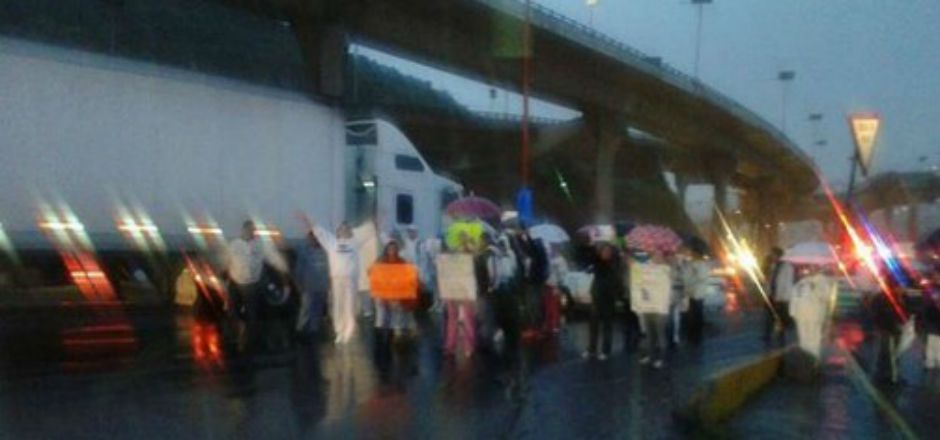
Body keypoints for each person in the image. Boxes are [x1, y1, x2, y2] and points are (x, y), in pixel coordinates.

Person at [223, 220, 289, 352]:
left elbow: (275, 260)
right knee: (232, 310)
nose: (251, 232)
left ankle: (248, 341)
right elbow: (226, 262)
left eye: (253, 230)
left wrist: (284, 276)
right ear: (243, 230)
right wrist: (224, 278)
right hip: (235, 282)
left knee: (252, 313)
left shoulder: (261, 245)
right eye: (248, 230)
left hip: (252, 284)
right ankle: (240, 328)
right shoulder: (234, 245)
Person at [311, 220, 371, 344]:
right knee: (338, 305)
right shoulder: (331, 242)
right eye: (342, 228)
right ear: (338, 232)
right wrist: (305, 219)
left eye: (346, 228)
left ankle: (349, 331)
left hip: (350, 279)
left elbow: (369, 230)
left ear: (350, 232)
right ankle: (339, 331)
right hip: (337, 278)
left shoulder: (354, 242)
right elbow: (318, 231)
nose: (344, 230)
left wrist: (378, 219)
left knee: (349, 305)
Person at [370, 240, 417, 364]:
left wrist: (398, 297)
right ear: (386, 250)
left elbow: (408, 280)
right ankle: (380, 337)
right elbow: (374, 277)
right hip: (382, 294)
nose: (392, 251)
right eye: (390, 249)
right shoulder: (381, 262)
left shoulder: (402, 262)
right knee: (381, 314)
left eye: (394, 248)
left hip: (396, 294)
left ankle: (397, 332)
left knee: (399, 310)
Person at [632, 250, 673, 369]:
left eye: (659, 255)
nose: (657, 257)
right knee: (649, 334)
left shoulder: (666, 270)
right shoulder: (645, 269)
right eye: (655, 255)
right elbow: (639, 283)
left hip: (660, 307)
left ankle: (661, 358)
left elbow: (668, 287)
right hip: (648, 306)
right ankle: (650, 355)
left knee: (660, 333)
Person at [583, 243, 623, 361]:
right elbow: (589, 258)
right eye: (604, 251)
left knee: (607, 325)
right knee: (593, 325)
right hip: (597, 296)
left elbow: (618, 281)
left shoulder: (615, 264)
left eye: (608, 251)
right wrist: (592, 247)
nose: (606, 253)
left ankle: (606, 351)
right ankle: (591, 349)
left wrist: (618, 296)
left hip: (609, 298)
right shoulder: (598, 263)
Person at [788, 265, 837, 361]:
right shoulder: (802, 281)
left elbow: (825, 298)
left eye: (813, 267)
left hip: (814, 315)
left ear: (818, 268)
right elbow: (794, 296)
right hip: (800, 314)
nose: (811, 269)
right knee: (803, 338)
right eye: (810, 267)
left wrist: (814, 288)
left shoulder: (823, 281)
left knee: (814, 339)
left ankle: (814, 360)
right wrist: (792, 311)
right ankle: (805, 360)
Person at [443, 233, 479, 358]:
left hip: (466, 290)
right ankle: (450, 346)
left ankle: (469, 346)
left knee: (468, 319)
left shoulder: (472, 257)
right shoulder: (453, 256)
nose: (462, 243)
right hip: (453, 290)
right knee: (452, 319)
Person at [294, 231, 331, 341]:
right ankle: (300, 331)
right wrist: (299, 284)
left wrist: (329, 285)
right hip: (308, 287)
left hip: (322, 287)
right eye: (311, 238)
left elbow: (330, 269)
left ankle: (313, 332)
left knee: (318, 310)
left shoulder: (326, 252)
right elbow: (298, 270)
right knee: (305, 309)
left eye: (315, 238)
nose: (313, 240)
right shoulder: (304, 251)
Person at [682, 245, 713, 345]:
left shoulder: (702, 265)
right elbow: (686, 276)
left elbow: (702, 277)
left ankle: (697, 336)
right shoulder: (690, 264)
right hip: (691, 292)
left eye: (693, 253)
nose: (691, 255)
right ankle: (692, 334)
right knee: (692, 314)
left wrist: (694, 275)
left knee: (697, 315)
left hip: (698, 293)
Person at [764, 247, 795, 345]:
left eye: (773, 254)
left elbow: (787, 283)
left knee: (780, 318)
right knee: (770, 317)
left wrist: (785, 297)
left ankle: (781, 337)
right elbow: (771, 280)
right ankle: (767, 335)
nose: (771, 256)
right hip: (772, 295)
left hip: (781, 297)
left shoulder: (787, 267)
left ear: (778, 255)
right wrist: (767, 292)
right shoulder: (773, 266)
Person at [542, 243, 568, 335]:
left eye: (553, 248)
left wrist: (559, 285)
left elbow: (563, 273)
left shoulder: (560, 260)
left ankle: (554, 325)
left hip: (554, 285)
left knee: (554, 306)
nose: (551, 250)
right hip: (547, 285)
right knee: (548, 306)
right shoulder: (547, 259)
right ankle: (549, 325)